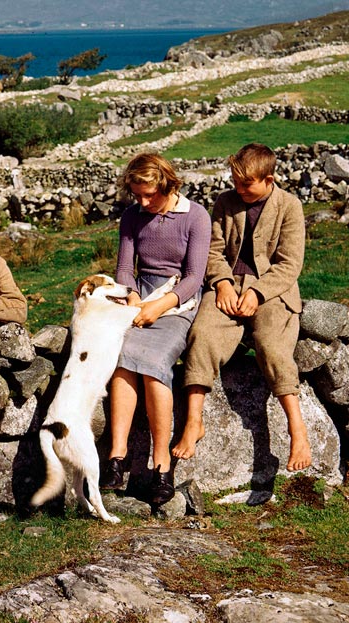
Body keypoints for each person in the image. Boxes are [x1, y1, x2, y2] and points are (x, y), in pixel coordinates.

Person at [174, 143, 312, 473]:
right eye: (236, 182)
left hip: (273, 290)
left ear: (269, 179)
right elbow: (213, 251)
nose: (240, 189)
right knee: (202, 334)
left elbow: (289, 264)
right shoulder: (225, 202)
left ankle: (298, 430)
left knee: (272, 346)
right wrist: (221, 282)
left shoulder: (289, 206)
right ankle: (194, 421)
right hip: (228, 286)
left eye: (247, 184)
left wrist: (259, 293)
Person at [100, 153, 211, 505]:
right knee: (120, 357)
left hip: (177, 301)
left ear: (167, 183)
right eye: (138, 195)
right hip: (140, 298)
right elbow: (124, 268)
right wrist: (133, 296)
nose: (144, 202)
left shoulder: (196, 216)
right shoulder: (132, 216)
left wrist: (160, 306)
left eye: (150, 195)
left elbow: (195, 277)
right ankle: (117, 456)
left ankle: (162, 464)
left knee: (154, 363)